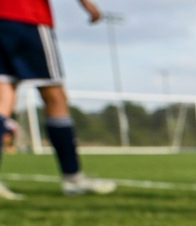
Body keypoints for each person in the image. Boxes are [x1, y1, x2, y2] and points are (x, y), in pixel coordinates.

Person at [0, 0, 116, 200]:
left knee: (4, 95)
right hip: (26, 14)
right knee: (55, 97)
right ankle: (73, 178)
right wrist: (87, 3)